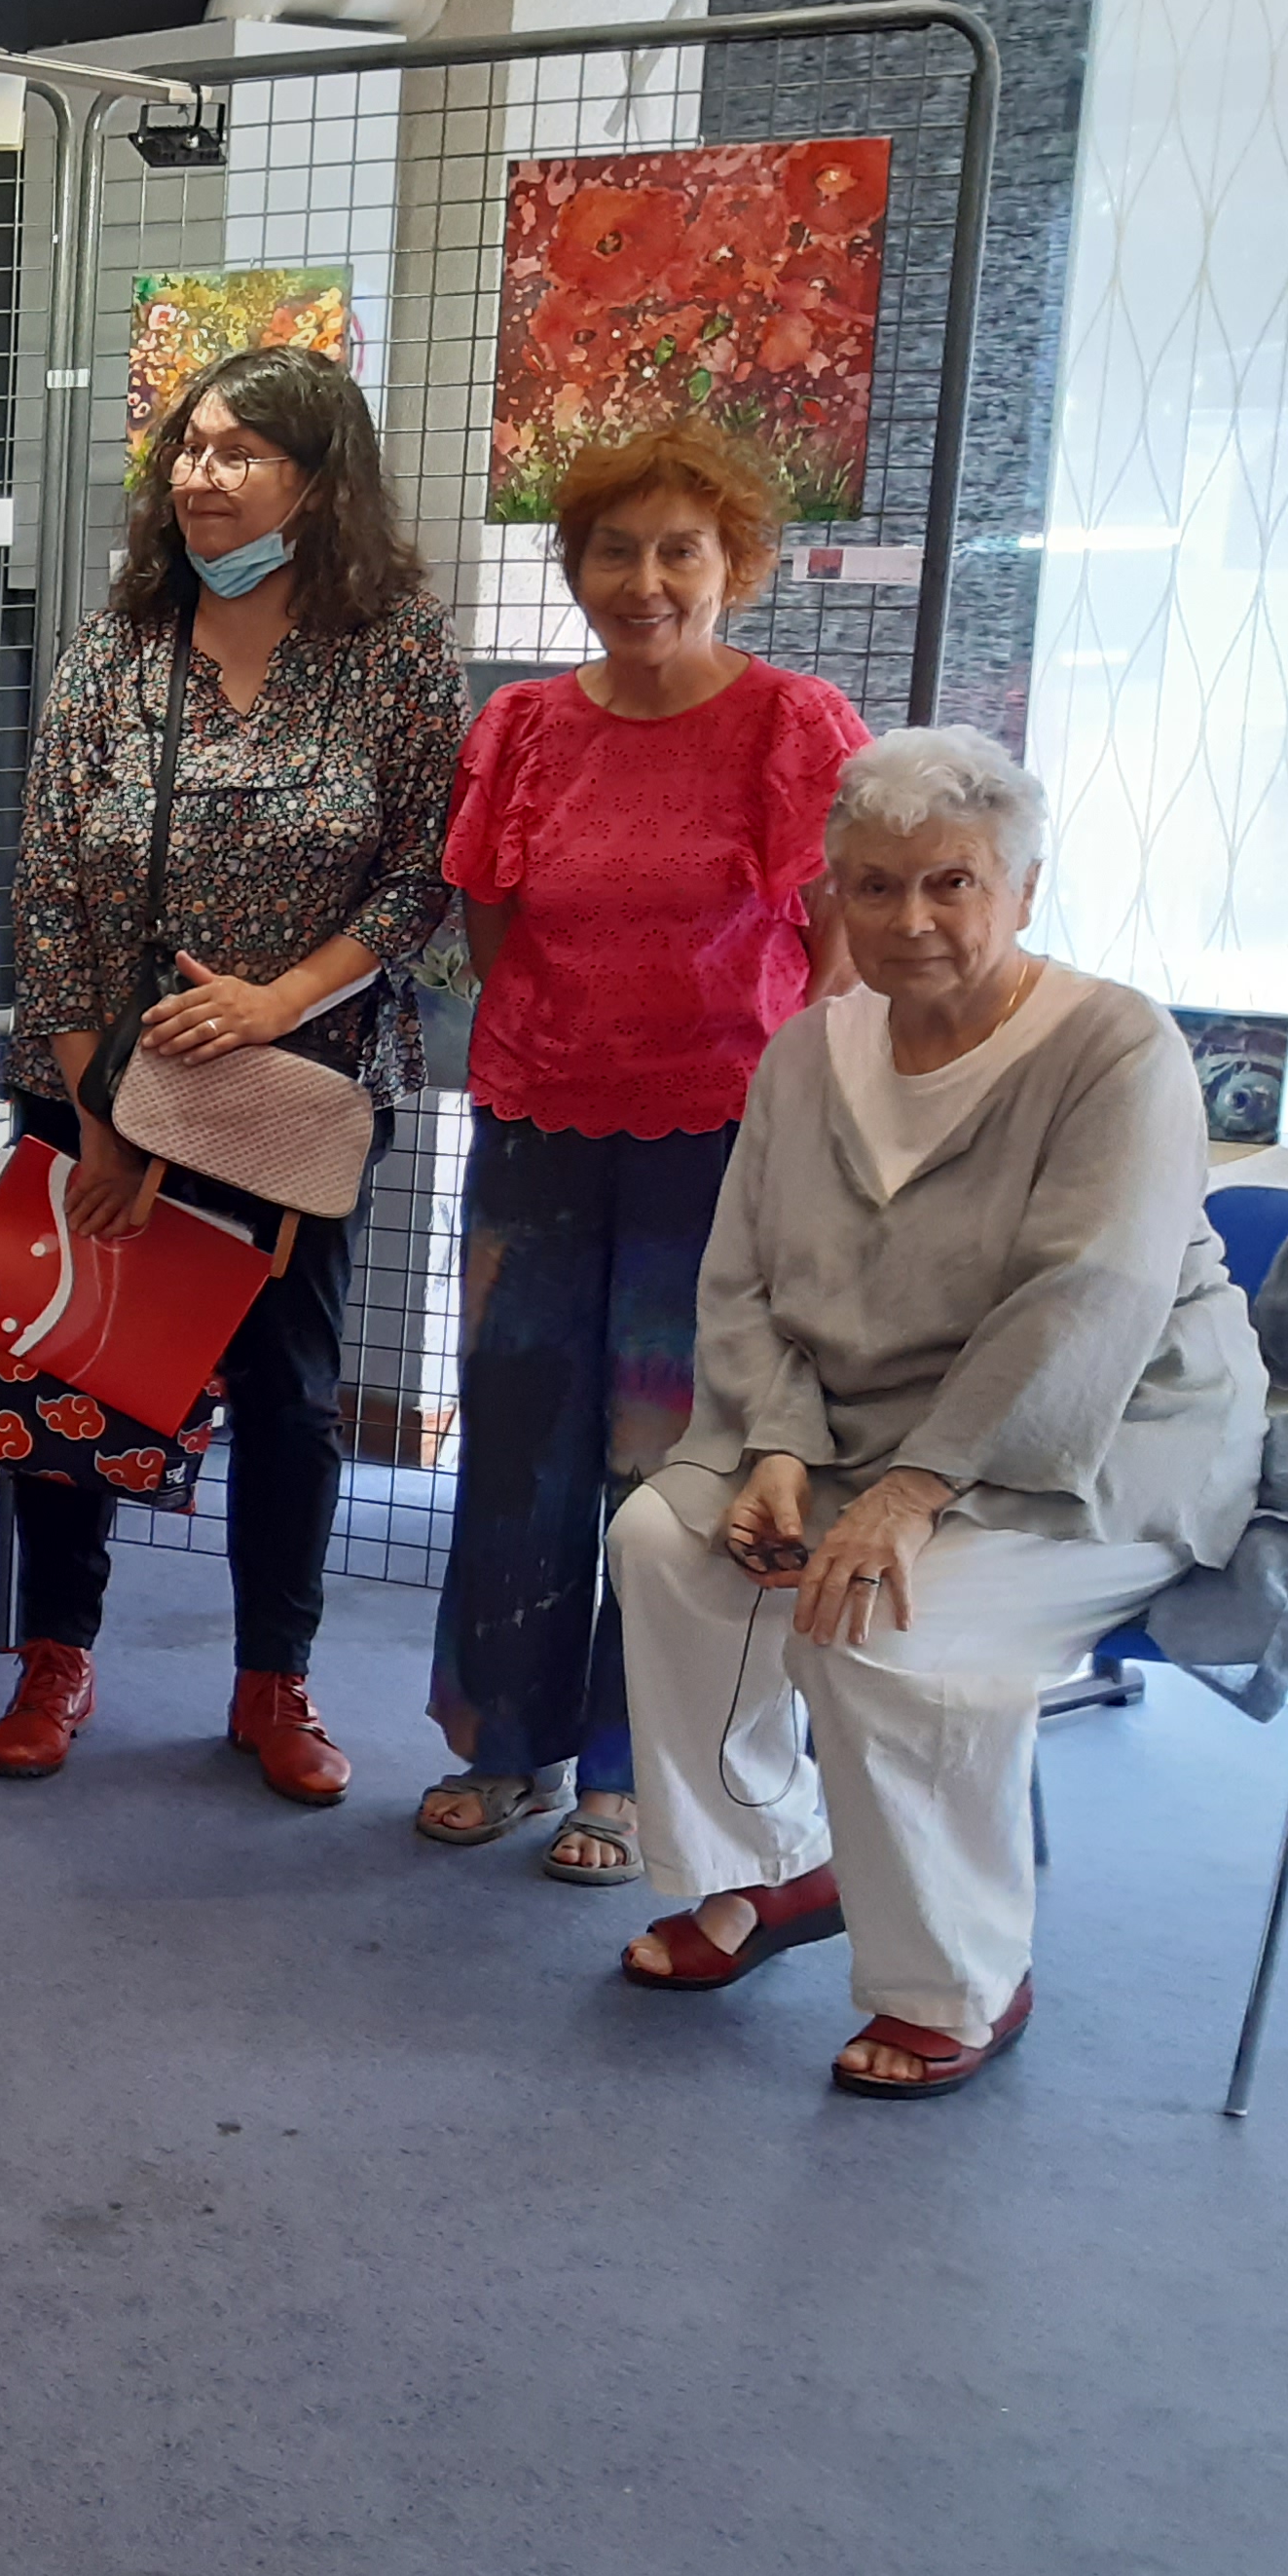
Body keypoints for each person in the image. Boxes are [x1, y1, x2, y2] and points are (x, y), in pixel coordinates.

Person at [606, 726, 1260, 2096]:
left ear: (1023, 890)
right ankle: (772, 1866)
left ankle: (959, 1977)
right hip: (852, 1425)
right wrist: (776, 1444)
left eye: (952, 882)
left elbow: (1086, 1299)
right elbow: (747, 1279)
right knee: (664, 1540)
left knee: (883, 1631)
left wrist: (912, 1493)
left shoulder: (1116, 1048)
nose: (911, 919)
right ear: (833, 894)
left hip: (1101, 1439)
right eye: (875, 885)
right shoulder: (807, 1054)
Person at [0, 343, 465, 1802]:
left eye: (241, 451)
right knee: (76, 1364)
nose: (202, 474)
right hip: (102, 1075)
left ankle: (276, 1681)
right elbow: (49, 885)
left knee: (291, 1393)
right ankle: (54, 1659)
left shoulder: (394, 652)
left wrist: (276, 1003)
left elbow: (424, 872)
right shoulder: (117, 646)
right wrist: (98, 1113)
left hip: (299, 1089)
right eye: (190, 448)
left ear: (319, 484)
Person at [419, 423, 869, 1878]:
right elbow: (491, 912)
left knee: (668, 1459)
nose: (646, 580)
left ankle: (626, 1774)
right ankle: (505, 1744)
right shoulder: (523, 726)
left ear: (736, 565)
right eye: (615, 551)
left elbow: (839, 945)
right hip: (536, 1122)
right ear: (576, 567)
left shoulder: (797, 725)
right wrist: (561, 1034)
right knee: (516, 1436)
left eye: (682, 550)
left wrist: (801, 1094)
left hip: (722, 1141)